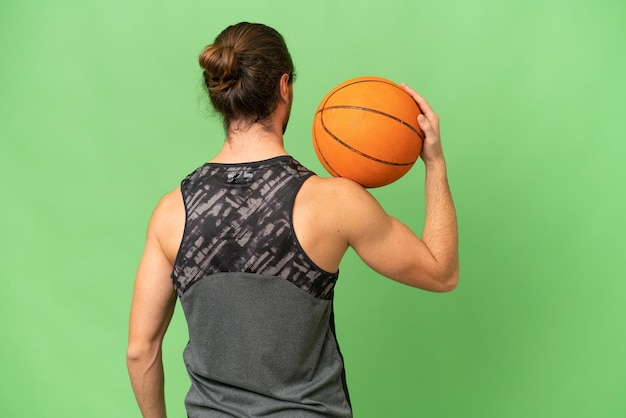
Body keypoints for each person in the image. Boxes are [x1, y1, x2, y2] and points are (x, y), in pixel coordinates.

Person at [126, 22, 459, 418]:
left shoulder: (172, 211)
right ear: (284, 86)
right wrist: (434, 162)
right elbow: (442, 272)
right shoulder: (334, 201)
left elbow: (139, 351)